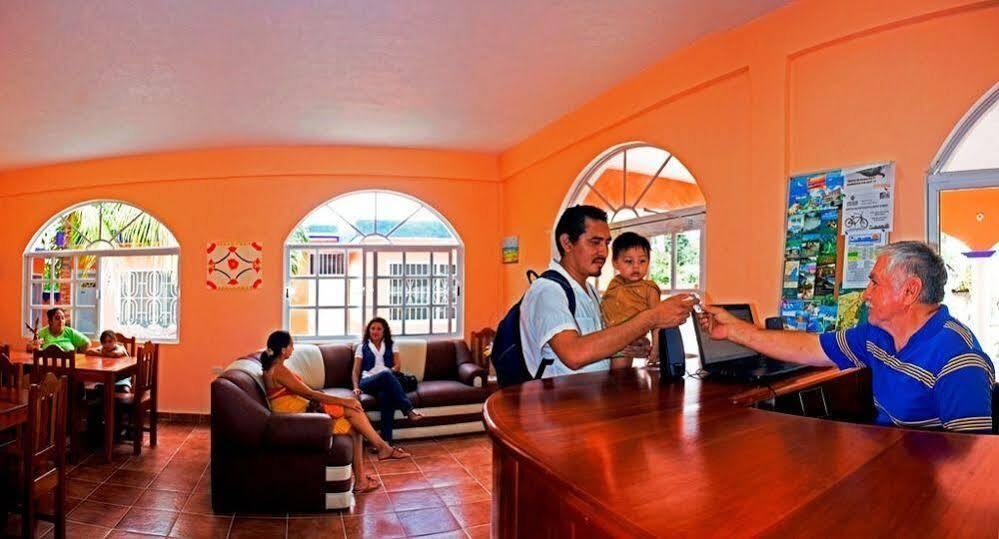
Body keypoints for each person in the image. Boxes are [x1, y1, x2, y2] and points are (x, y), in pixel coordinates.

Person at [699, 241, 994, 433]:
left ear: (909, 292)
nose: (866, 293)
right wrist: (734, 330)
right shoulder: (876, 335)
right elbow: (809, 347)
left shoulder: (959, 360)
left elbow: (971, 465)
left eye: (874, 283)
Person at [520, 205, 697, 379]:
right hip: (558, 405)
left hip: (595, 399)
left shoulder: (592, 292)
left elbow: (604, 341)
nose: (604, 252)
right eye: (595, 242)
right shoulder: (547, 291)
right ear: (567, 243)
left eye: (606, 243)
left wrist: (629, 343)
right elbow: (574, 355)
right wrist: (651, 317)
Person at [260, 331, 410, 493]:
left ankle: (363, 478)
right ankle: (382, 448)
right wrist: (344, 400)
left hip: (303, 413)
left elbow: (301, 394)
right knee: (353, 408)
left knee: (356, 428)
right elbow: (309, 393)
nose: (293, 348)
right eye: (291, 345)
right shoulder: (279, 370)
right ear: (283, 350)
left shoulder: (274, 368)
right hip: (301, 420)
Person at [352, 318, 423, 445]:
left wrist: (390, 372)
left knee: (385, 395)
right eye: (372, 328)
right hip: (368, 381)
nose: (375, 331)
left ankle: (385, 443)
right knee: (385, 374)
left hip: (386, 380)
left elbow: (397, 366)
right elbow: (355, 371)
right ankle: (408, 409)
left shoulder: (392, 344)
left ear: (384, 331)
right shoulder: (362, 347)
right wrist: (356, 387)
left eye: (379, 329)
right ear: (368, 330)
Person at [601, 232, 663, 367]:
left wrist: (656, 348)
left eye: (642, 261)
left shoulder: (649, 288)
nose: (636, 267)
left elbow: (657, 321)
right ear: (615, 263)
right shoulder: (614, 283)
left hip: (628, 341)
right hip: (605, 338)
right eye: (629, 261)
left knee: (619, 378)